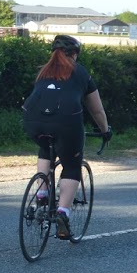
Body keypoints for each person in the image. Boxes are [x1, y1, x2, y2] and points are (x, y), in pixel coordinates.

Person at [21, 35, 111, 241]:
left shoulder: (43, 71)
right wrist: (105, 130)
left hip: (32, 121)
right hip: (66, 122)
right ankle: (63, 213)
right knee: (71, 165)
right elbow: (96, 110)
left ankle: (42, 194)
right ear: (75, 54)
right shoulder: (80, 72)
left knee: (45, 147)